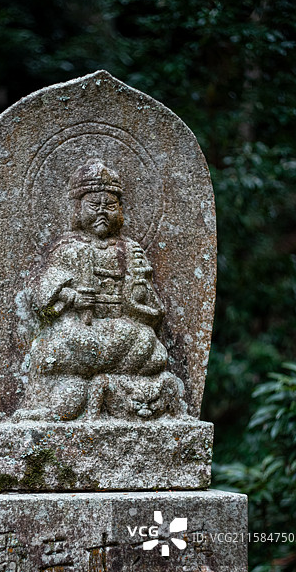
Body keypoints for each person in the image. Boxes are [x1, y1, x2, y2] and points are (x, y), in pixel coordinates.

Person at [14, 159, 187, 421]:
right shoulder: (67, 248)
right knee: (75, 342)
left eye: (110, 206)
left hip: (120, 330)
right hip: (81, 330)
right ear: (77, 208)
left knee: (148, 343)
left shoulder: (130, 250)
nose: (102, 213)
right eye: (94, 206)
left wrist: (138, 292)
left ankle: (108, 382)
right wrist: (72, 297)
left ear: (120, 210)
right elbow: (42, 298)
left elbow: (151, 309)